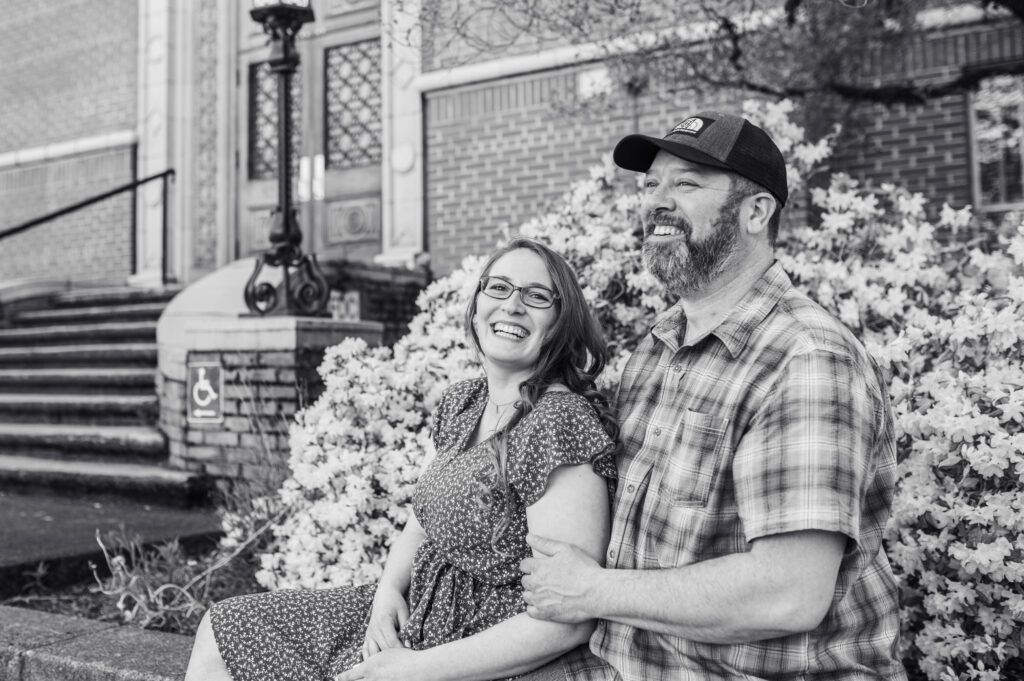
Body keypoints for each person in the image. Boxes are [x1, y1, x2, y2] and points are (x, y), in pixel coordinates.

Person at [519, 111, 908, 681]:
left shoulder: (805, 358)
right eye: (650, 184)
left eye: (686, 183)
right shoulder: (657, 347)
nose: (656, 200)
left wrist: (592, 590)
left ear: (757, 211)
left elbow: (787, 594)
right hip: (622, 665)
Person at [184, 236, 618, 681]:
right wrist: (388, 591)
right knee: (223, 630)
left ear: (561, 322)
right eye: (499, 288)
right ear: (476, 306)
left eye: (537, 296)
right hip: (420, 612)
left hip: (478, 651)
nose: (512, 305)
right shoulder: (465, 402)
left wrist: (414, 670)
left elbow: (569, 618)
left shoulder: (557, 421)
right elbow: (422, 519)